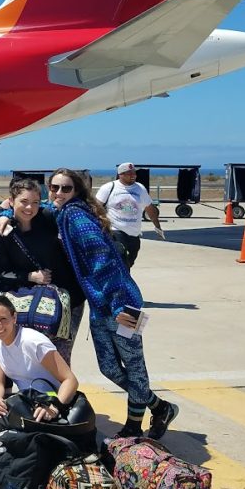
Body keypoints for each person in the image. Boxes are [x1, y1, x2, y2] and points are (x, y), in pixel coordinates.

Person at [49, 168, 179, 439]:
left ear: (77, 191)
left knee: (134, 366)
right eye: (54, 187)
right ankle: (160, 406)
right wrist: (4, 212)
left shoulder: (76, 216)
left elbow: (103, 261)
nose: (58, 193)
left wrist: (119, 306)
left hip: (123, 304)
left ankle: (134, 424)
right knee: (108, 367)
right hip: (100, 305)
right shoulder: (65, 213)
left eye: (65, 188)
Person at [0, 178, 85, 364]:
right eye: (23, 202)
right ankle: (36, 393)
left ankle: (60, 393)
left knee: (60, 358)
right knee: (31, 358)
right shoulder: (2, 230)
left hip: (65, 298)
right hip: (28, 303)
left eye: (34, 202)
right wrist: (30, 276)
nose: (29, 208)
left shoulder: (47, 218)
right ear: (11, 201)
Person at [0, 294, 80, 423]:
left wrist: (54, 407)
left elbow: (70, 380)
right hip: (27, 397)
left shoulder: (33, 342)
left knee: (35, 418)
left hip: (51, 396)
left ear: (14, 317)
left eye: (3, 319)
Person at [95, 162, 164, 269]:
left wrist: (158, 227)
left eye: (134, 173)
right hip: (115, 231)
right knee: (121, 260)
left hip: (134, 234)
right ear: (120, 175)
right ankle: (122, 284)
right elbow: (96, 207)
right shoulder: (109, 187)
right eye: (129, 173)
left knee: (129, 263)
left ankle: (122, 281)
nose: (133, 176)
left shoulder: (140, 188)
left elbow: (149, 208)